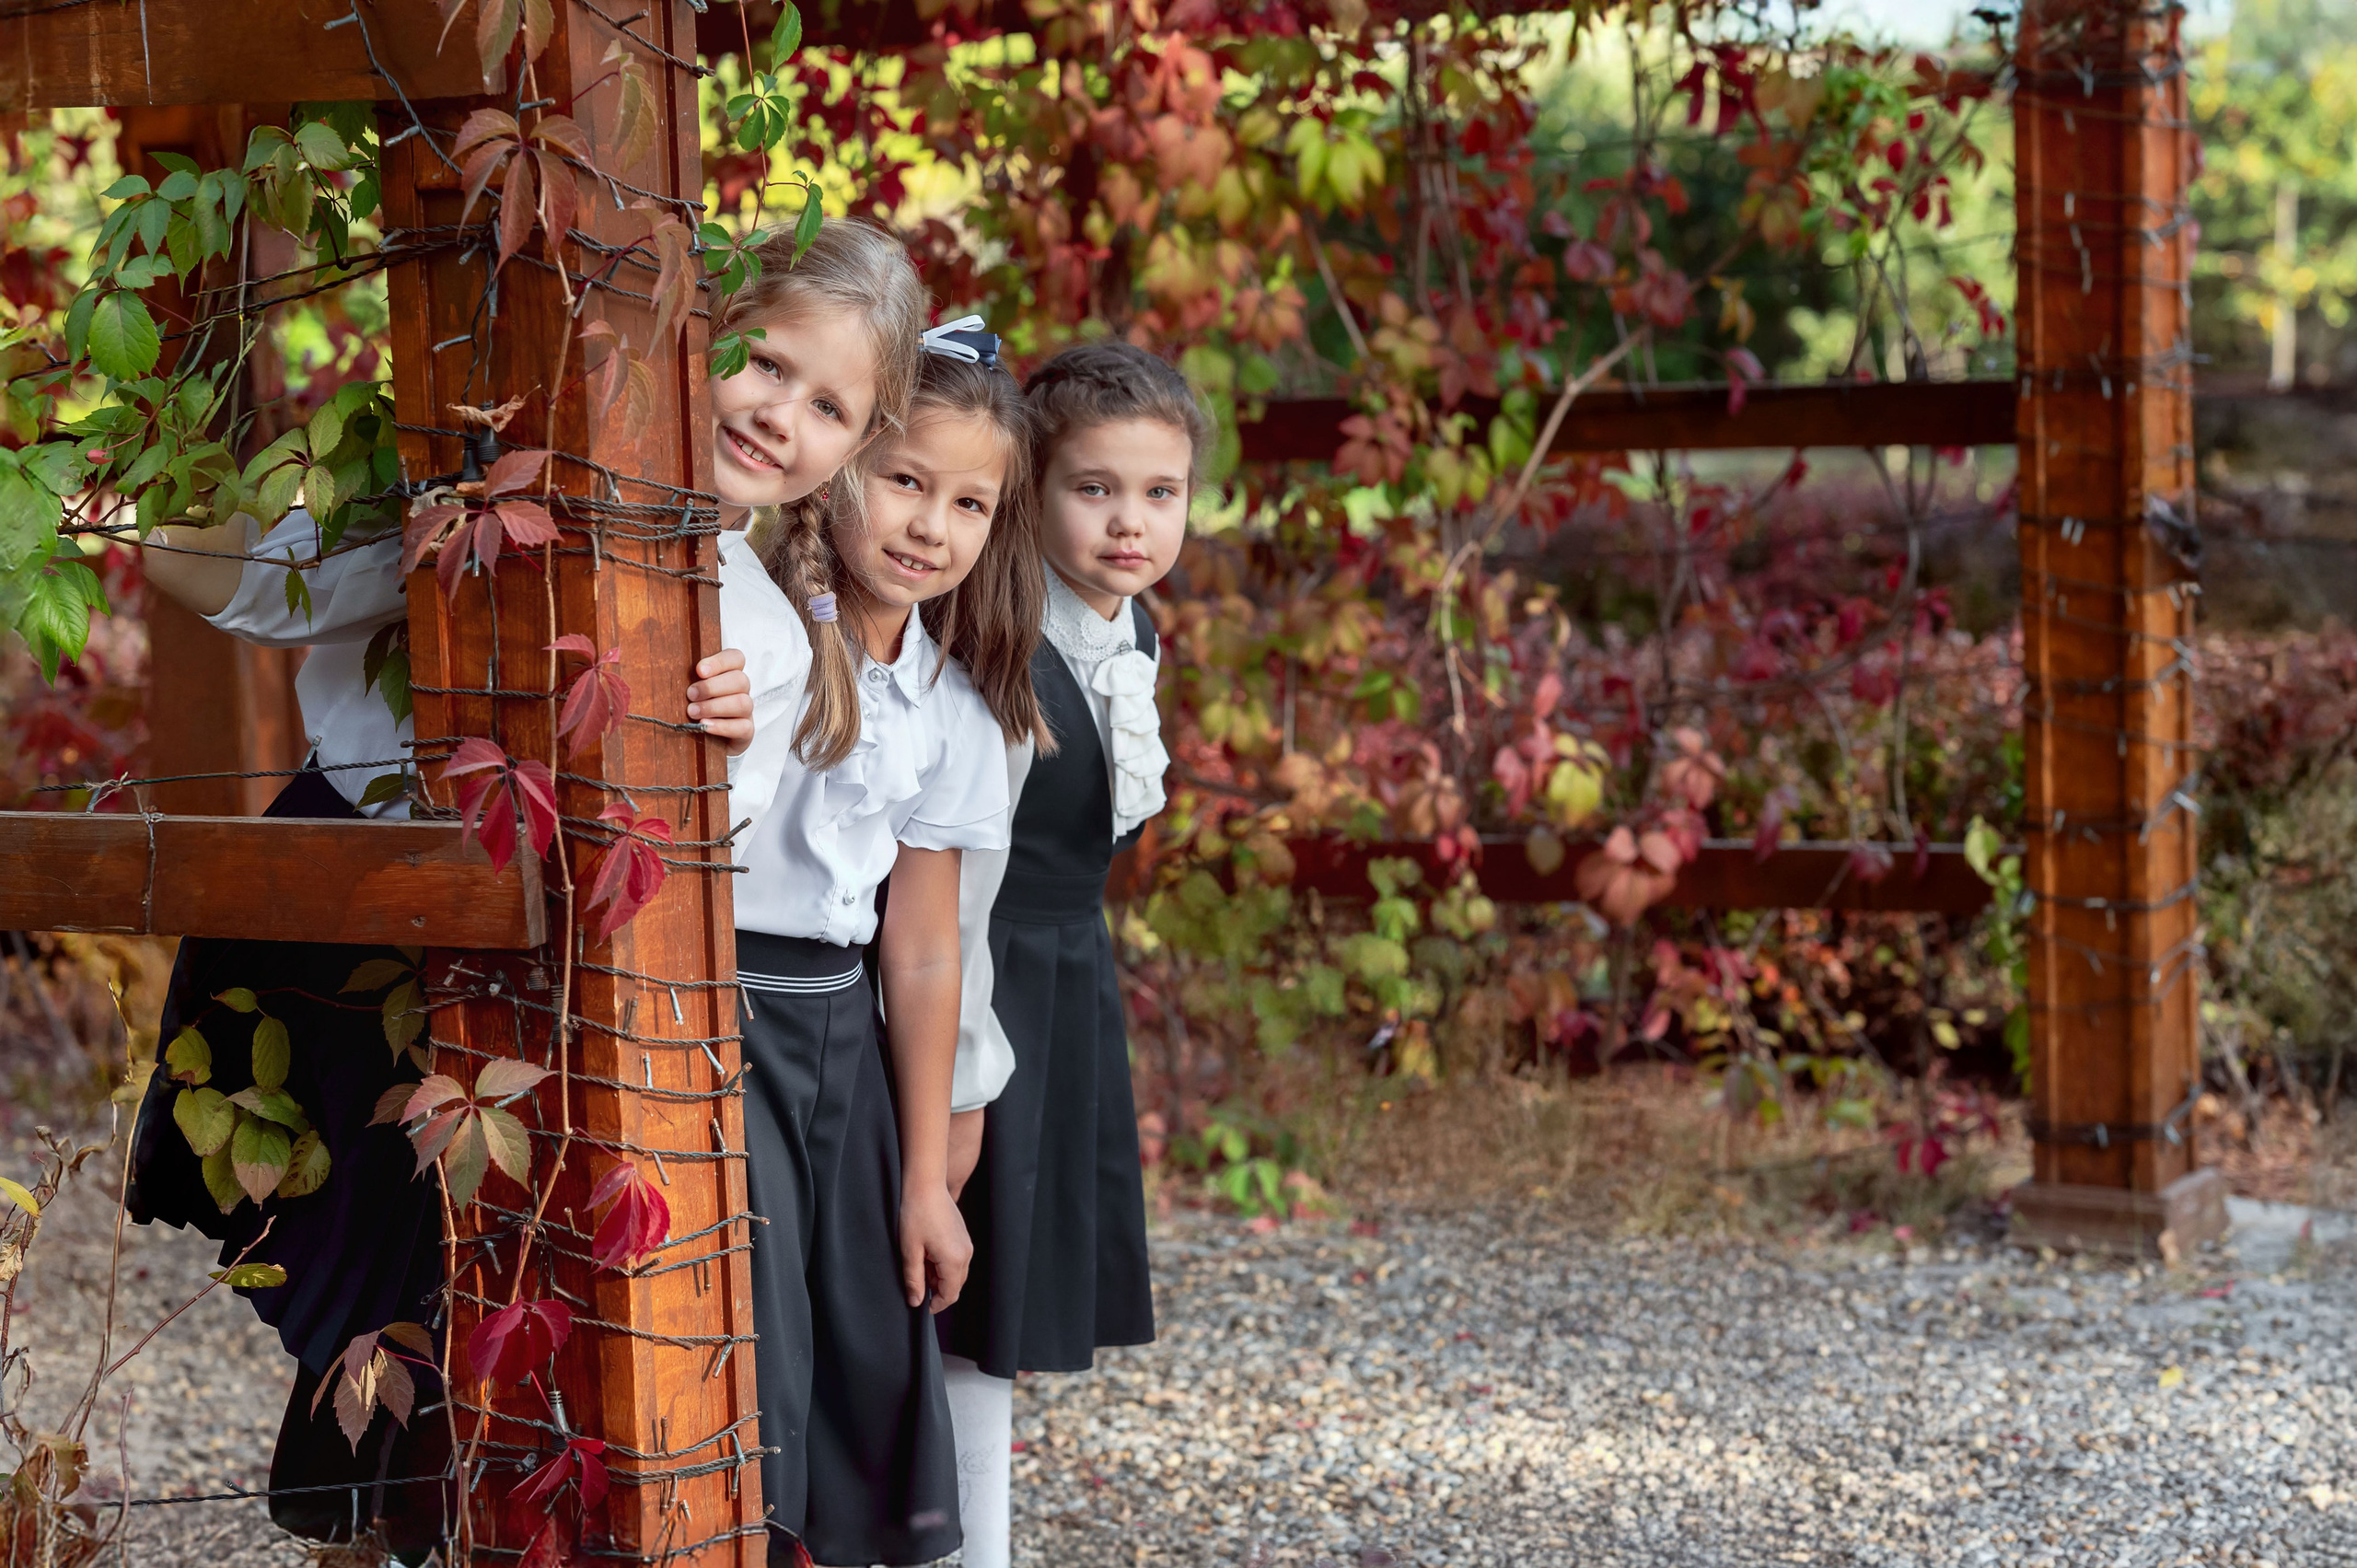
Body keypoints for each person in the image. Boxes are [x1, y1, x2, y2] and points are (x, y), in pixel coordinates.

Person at [127, 216, 923, 1561]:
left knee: (470, 1305)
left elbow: (693, 871)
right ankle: (356, 1539)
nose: (784, 414)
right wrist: (223, 499)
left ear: (856, 448)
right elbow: (235, 584)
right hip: (345, 924)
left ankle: (408, 1530)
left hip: (539, 984)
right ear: (691, 345)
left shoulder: (765, 637)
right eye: (765, 365)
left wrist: (711, 744)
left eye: (830, 404)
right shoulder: (502, 503)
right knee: (363, 1291)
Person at [697, 327, 1045, 1566]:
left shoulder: (952, 709)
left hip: (838, 1035)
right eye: (906, 480)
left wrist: (923, 1179)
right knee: (753, 1358)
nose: (930, 527)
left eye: (969, 502)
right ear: (837, 468)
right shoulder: (748, 629)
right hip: (715, 1005)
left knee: (850, 1356)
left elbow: (926, 953)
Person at [936, 341, 1206, 1568]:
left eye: (1161, 494)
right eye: (1095, 490)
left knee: (1009, 1290)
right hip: (968, 982)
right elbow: (955, 880)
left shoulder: (1131, 630)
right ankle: (956, 1546)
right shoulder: (991, 644)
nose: (1130, 523)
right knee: (959, 1284)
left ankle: (973, 1539)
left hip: (1060, 972)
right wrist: (957, 1079)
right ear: (1032, 492)